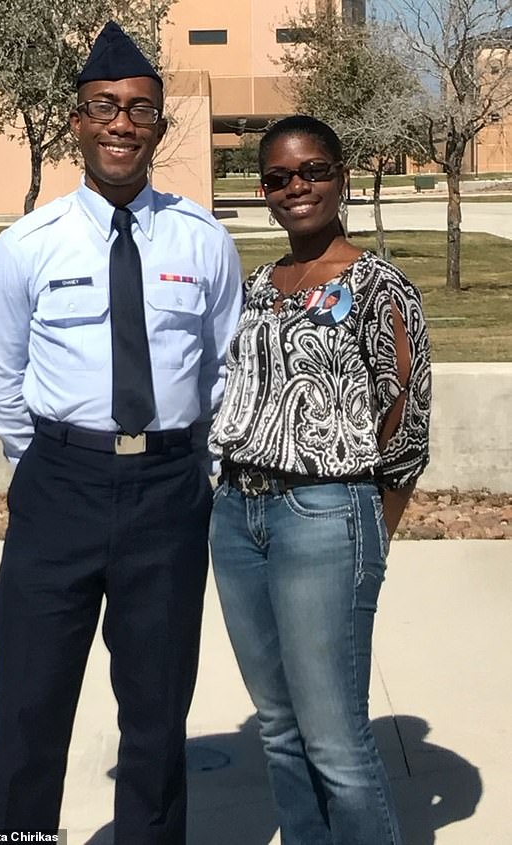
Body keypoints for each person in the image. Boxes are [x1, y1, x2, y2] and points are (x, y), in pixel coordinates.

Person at [0, 20, 242, 843]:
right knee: (27, 709)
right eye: (104, 107)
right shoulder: (27, 247)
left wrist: (190, 469)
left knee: (157, 719)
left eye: (140, 110)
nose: (122, 123)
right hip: (59, 491)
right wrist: (50, 464)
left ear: (160, 125)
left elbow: (225, 372)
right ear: (77, 121)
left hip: (168, 495)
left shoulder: (204, 240)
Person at [208, 115, 432, 845]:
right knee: (278, 728)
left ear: (340, 175)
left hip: (325, 514)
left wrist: (369, 536)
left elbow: (408, 423)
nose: (294, 187)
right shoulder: (257, 285)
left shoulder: (377, 286)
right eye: (277, 177)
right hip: (238, 515)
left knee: (336, 740)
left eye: (312, 171)